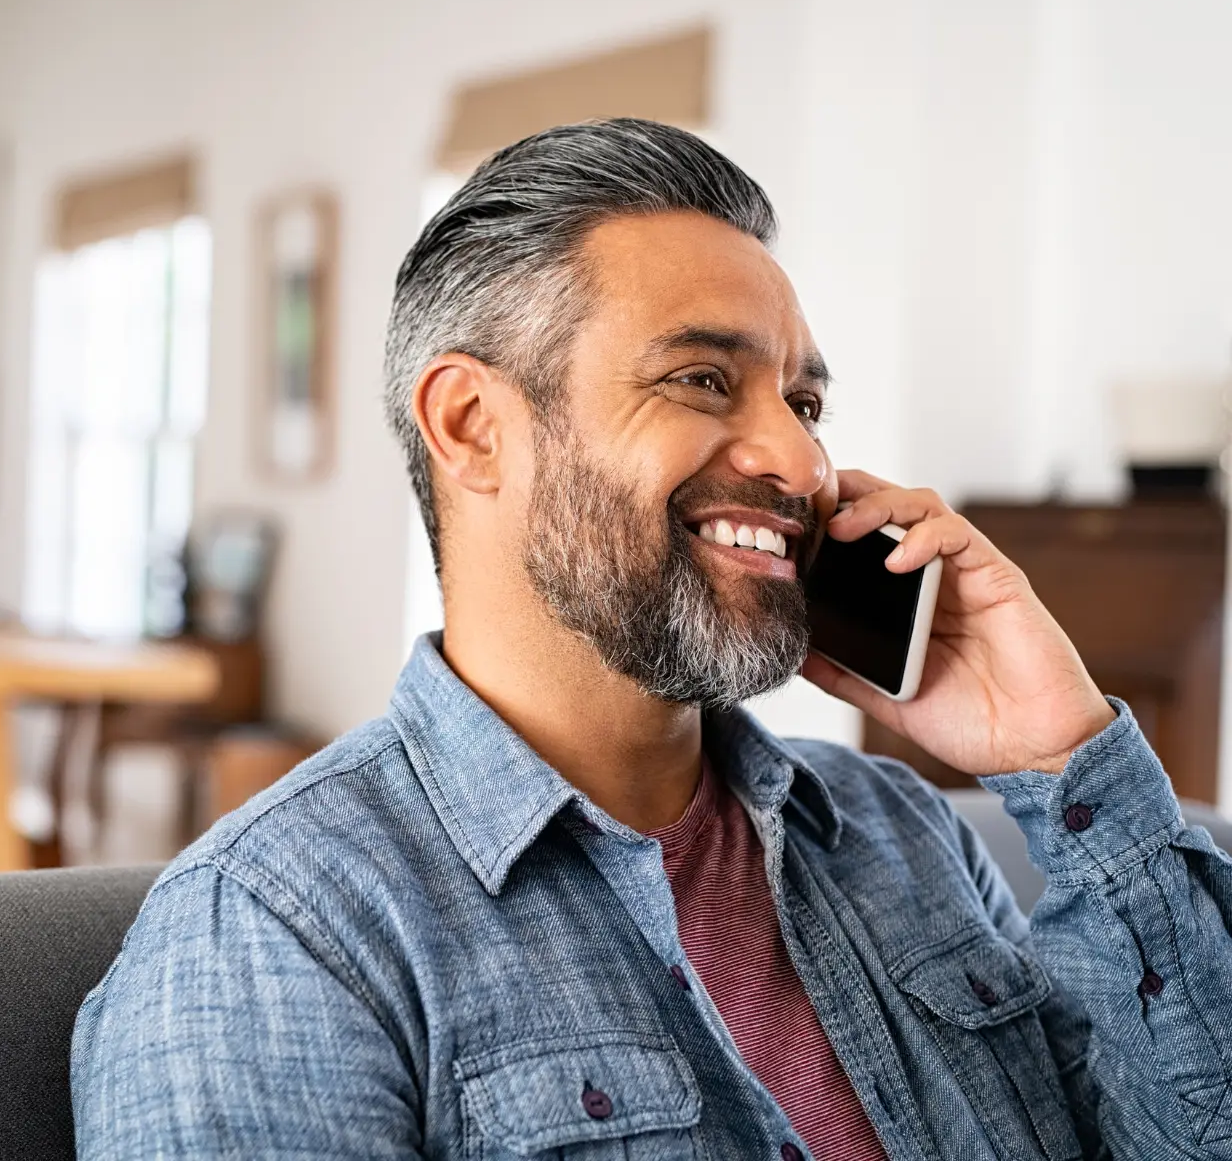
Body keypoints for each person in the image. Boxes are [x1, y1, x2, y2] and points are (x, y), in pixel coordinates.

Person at [71, 118, 1232, 1160]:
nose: (803, 463)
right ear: (471, 426)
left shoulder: (905, 839)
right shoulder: (276, 938)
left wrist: (1058, 755)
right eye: (701, 378)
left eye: (806, 403)